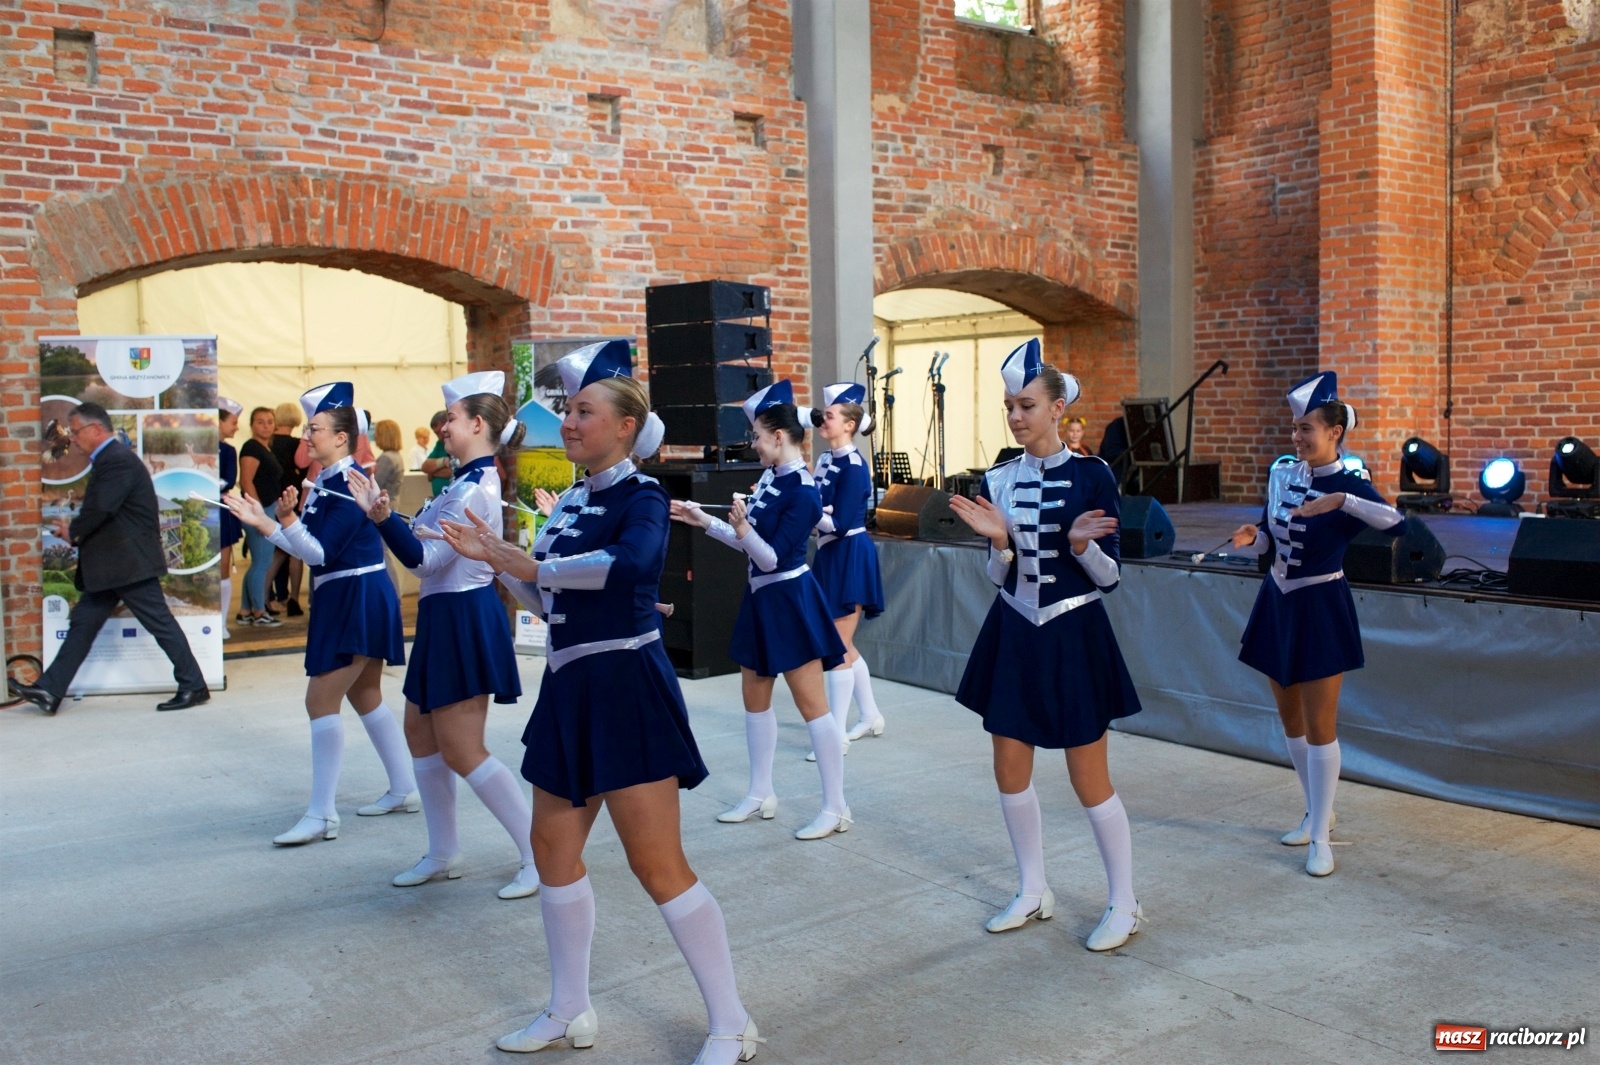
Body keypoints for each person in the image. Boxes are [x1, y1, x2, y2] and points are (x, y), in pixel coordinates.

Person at [439, 340, 759, 1062]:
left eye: (585, 411)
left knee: (657, 863)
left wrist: (530, 562)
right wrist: (499, 562)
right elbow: (542, 590)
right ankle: (569, 1008)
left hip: (625, 685)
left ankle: (731, 1020)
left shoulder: (641, 495)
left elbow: (633, 564)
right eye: (569, 410)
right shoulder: (575, 499)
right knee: (551, 848)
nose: (570, 422)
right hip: (569, 685)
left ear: (624, 426)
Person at [947, 338, 1146, 952]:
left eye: (1028, 405)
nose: (1016, 416)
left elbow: (1113, 579)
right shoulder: (1000, 478)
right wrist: (1001, 541)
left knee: (1090, 778)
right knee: (1009, 771)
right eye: (1009, 405)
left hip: (1074, 632)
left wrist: (1083, 546)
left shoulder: (1094, 475)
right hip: (1014, 629)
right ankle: (1033, 890)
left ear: (1059, 408)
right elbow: (997, 575)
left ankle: (1125, 902)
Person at [345, 373, 537, 900]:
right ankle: (443, 851)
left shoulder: (475, 487)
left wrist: (384, 520)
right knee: (420, 734)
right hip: (442, 618)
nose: (443, 427)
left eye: (450, 418)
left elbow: (428, 564)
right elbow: (435, 545)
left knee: (463, 748)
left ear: (477, 424)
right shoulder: (462, 481)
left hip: (461, 617)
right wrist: (401, 522)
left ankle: (538, 854)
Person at [225, 383, 417, 847]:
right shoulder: (330, 480)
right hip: (350, 594)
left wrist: (279, 522)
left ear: (342, 438)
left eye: (316, 429)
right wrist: (266, 521)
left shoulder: (349, 483)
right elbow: (309, 548)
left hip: (355, 596)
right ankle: (405, 788)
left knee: (320, 700)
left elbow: (318, 553)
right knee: (365, 693)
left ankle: (322, 814)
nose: (307, 436)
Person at [1230, 372, 1404, 878]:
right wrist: (1253, 538)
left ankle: (1323, 838)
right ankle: (1314, 811)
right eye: (1295, 428)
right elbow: (1270, 535)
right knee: (1289, 720)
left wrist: (1343, 501)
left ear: (1334, 433)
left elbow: (1396, 523)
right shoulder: (1283, 473)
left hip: (1322, 605)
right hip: (1277, 603)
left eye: (1308, 428)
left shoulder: (1350, 483)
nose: (1298, 437)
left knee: (1321, 725)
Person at [671, 379, 852, 841]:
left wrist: (742, 526)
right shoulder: (771, 478)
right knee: (754, 698)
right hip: (761, 598)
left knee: (813, 706)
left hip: (790, 600)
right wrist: (705, 521)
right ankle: (759, 793)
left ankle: (836, 806)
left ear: (777, 436)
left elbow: (771, 555)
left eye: (755, 435)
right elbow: (745, 543)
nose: (751, 443)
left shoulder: (806, 493)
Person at [9, 402, 208, 715]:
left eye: (75, 432)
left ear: (95, 430)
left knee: (160, 624)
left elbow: (102, 507)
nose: (72, 438)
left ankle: (194, 685)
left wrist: (73, 531)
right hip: (115, 565)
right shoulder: (111, 460)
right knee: (83, 625)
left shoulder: (116, 461)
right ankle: (49, 690)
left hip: (129, 564)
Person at [808, 382, 886, 751]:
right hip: (829, 554)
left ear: (850, 425)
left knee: (836, 646)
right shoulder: (825, 459)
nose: (823, 420)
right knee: (843, 643)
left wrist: (805, 512)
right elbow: (819, 506)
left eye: (830, 415)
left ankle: (834, 735)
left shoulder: (855, 467)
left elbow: (838, 523)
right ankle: (870, 715)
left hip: (850, 554)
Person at [237, 406, 284, 628]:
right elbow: (246, 482)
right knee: (262, 563)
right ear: (252, 425)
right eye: (260, 422)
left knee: (259, 562)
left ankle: (245, 610)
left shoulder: (265, 447)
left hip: (267, 509)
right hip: (260, 510)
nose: (266, 426)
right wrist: (257, 514)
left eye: (269, 421)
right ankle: (258, 611)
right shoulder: (251, 449)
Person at [268, 401, 306, 618]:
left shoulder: (269, 443)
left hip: (273, 502)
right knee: (296, 553)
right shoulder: (298, 445)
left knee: (275, 553)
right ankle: (293, 599)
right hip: (295, 501)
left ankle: (266, 597)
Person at [218, 397, 244, 641]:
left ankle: (221, 621)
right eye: (234, 422)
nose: (236, 427)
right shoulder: (195, 446)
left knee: (223, 567)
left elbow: (228, 479)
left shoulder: (228, 451)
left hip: (220, 513)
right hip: (200, 511)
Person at [421, 410, 452, 497]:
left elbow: (456, 471)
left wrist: (433, 473)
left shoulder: (458, 443)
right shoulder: (440, 444)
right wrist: (444, 461)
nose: (439, 436)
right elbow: (425, 467)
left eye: (440, 431)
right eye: (436, 433)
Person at [372, 419, 406, 501]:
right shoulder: (396, 455)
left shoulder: (386, 458)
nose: (374, 435)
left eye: (377, 433)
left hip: (385, 503)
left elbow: (376, 484)